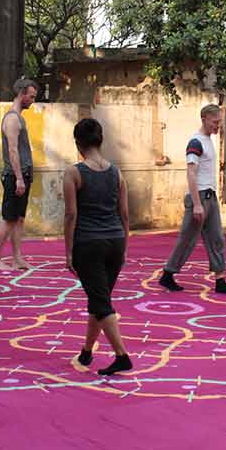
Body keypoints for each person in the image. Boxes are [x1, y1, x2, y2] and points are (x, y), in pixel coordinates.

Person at [63, 118, 133, 376]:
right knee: (99, 299)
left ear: (78, 143)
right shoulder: (117, 172)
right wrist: (124, 245)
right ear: (100, 141)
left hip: (88, 244)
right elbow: (124, 214)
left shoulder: (73, 173)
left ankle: (122, 356)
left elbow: (71, 215)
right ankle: (86, 351)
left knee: (101, 303)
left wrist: (68, 251)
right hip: (115, 241)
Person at [159, 104, 226, 295]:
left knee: (217, 238)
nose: (217, 126)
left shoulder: (208, 140)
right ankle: (168, 274)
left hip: (210, 197)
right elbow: (191, 174)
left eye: (219, 122)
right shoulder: (196, 142)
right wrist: (196, 204)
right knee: (187, 240)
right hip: (199, 197)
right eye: (215, 121)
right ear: (204, 118)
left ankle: (220, 280)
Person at [0, 78, 38, 270]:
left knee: (19, 218)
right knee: (9, 218)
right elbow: (13, 151)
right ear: (22, 94)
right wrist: (18, 178)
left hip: (23, 174)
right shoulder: (12, 119)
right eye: (31, 96)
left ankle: (17, 258)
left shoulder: (18, 118)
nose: (33, 100)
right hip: (14, 176)